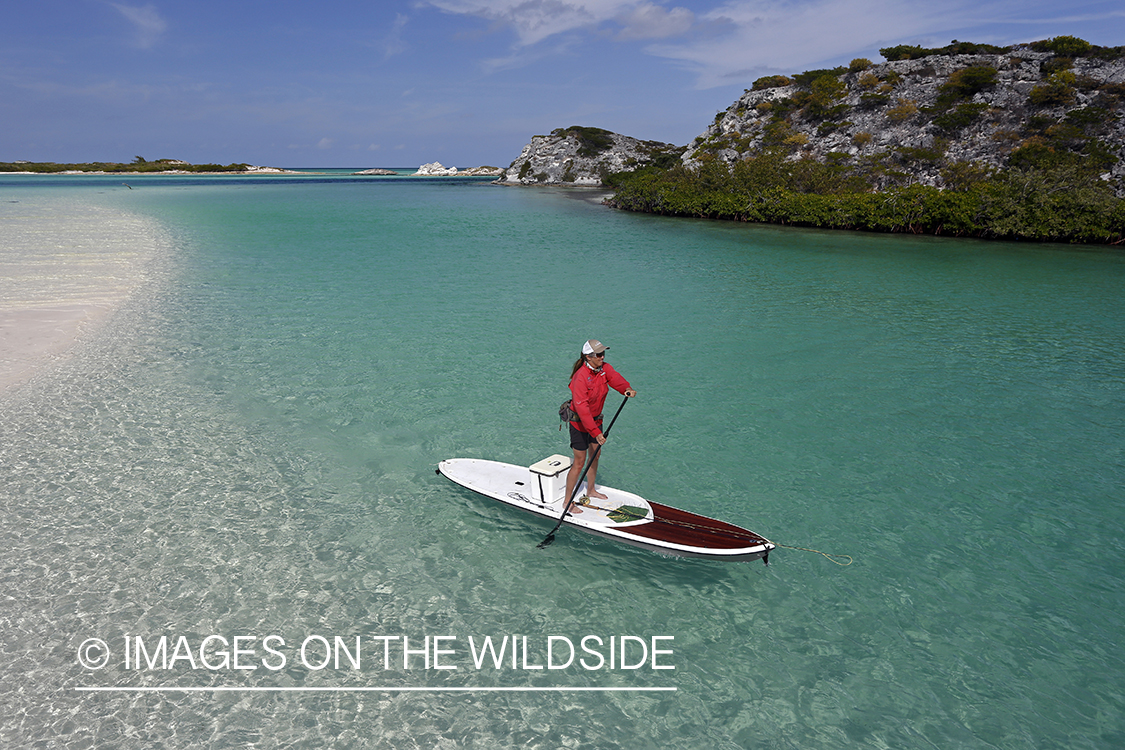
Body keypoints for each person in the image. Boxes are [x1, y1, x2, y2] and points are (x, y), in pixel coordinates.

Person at [564, 339, 637, 513]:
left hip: (596, 421)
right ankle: (568, 502)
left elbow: (615, 378)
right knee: (579, 463)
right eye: (599, 354)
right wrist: (596, 433)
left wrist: (626, 388)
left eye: (603, 353)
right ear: (588, 357)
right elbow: (582, 409)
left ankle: (590, 489)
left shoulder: (604, 369)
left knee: (595, 456)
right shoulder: (580, 378)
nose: (602, 357)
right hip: (580, 424)